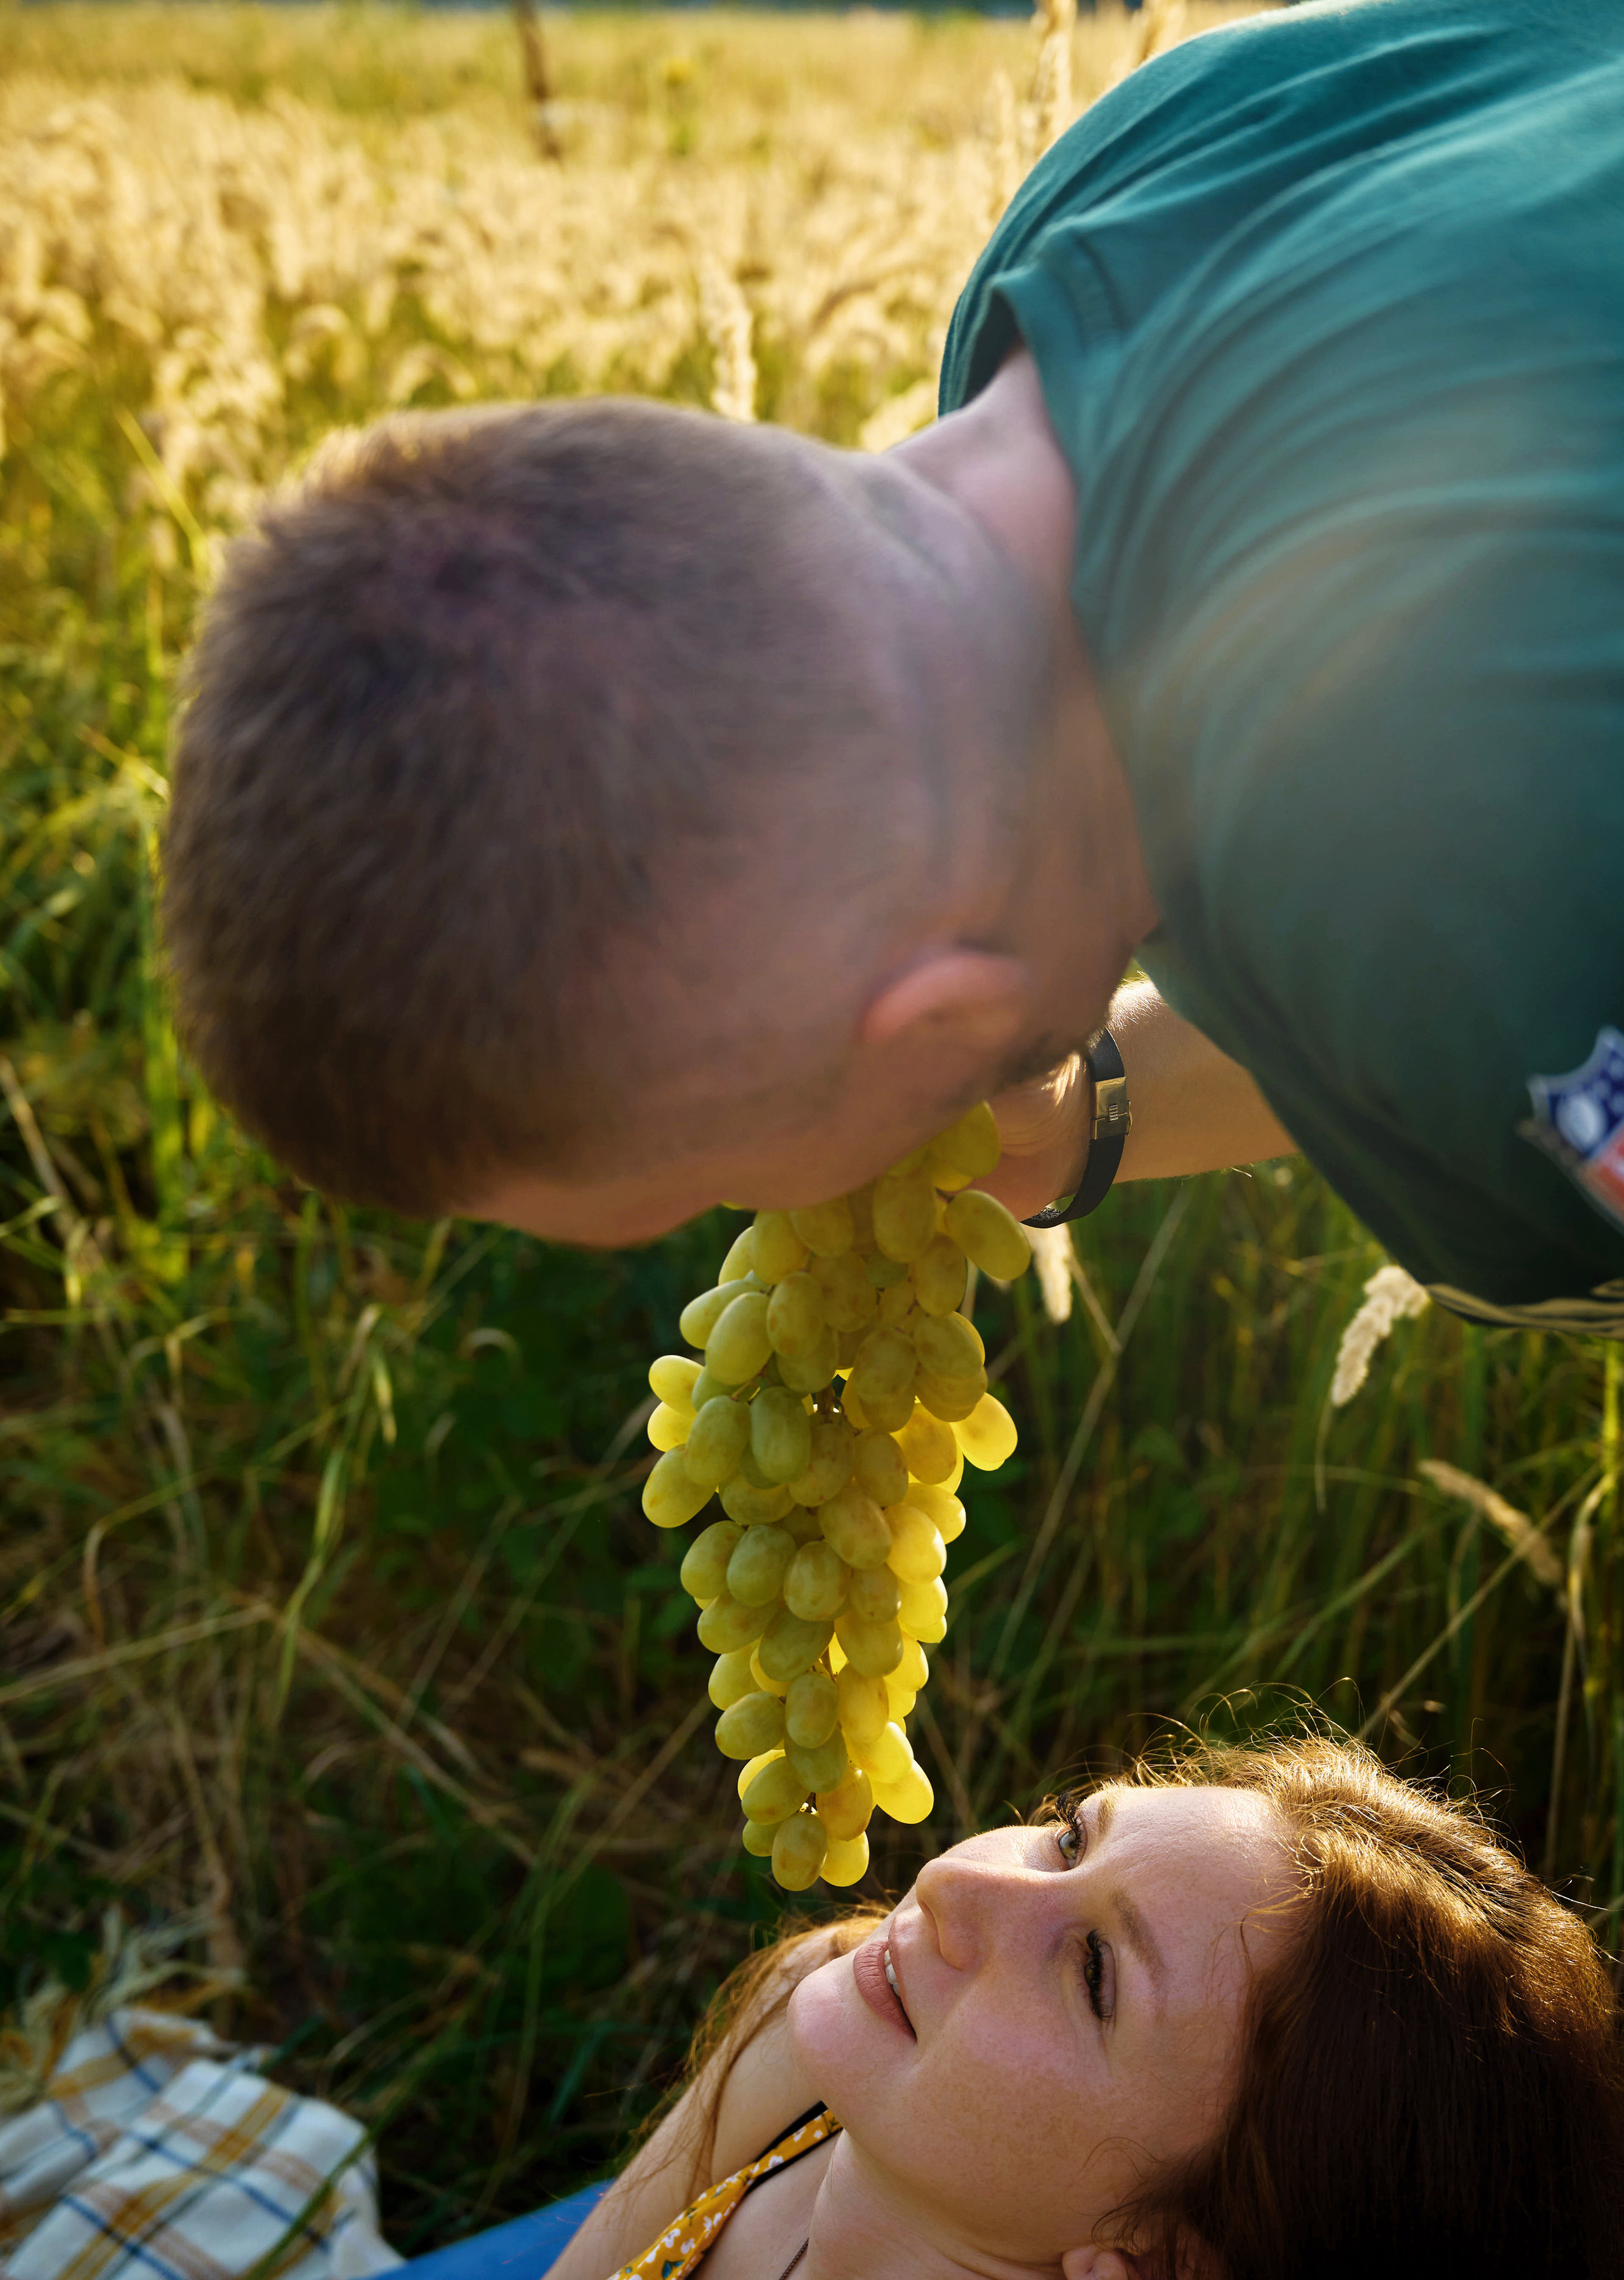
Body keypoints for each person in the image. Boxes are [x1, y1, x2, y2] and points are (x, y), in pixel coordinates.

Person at [158, 0, 1624, 1339]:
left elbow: (1451, 975)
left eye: (705, 1188)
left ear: (943, 1023)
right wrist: (1088, 1112)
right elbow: (1386, 978)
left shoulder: (1466, 912)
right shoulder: (1117, 187)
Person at [154, 1734, 1623, 2280]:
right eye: (1065, 1836)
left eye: (1095, 1972)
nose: (958, 1881)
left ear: (1159, 2261)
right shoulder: (827, 2021)